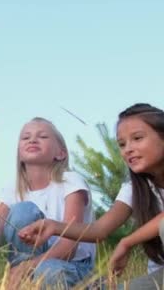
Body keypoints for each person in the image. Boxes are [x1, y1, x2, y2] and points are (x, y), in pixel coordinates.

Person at [19, 104, 164, 288]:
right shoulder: (133, 189)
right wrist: (54, 227)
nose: (128, 149)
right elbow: (99, 230)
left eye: (137, 138)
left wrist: (127, 242)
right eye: (122, 144)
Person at [0, 117, 94, 289]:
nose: (32, 139)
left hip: (72, 266)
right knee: (22, 211)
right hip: (25, 268)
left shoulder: (71, 181)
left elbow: (69, 246)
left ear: (61, 153)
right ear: (19, 153)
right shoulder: (11, 190)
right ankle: (24, 281)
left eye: (43, 136)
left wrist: (26, 267)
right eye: (25, 137)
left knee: (49, 271)